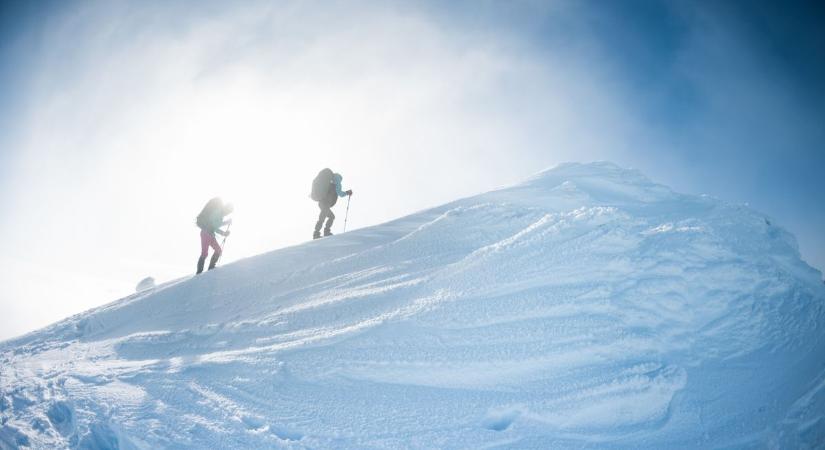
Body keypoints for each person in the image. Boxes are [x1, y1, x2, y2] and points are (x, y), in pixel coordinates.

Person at [195, 197, 233, 274]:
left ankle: (211, 268)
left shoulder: (221, 215)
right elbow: (215, 225)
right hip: (205, 233)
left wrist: (224, 233)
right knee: (204, 253)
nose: (227, 213)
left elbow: (215, 227)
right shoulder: (218, 212)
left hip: (210, 234)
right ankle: (199, 272)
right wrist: (225, 225)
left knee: (218, 250)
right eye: (228, 211)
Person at [311, 169, 352, 239]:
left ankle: (323, 232)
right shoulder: (337, 181)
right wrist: (347, 192)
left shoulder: (328, 183)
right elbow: (340, 193)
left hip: (321, 203)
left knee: (330, 217)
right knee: (323, 217)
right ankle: (317, 233)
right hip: (326, 203)